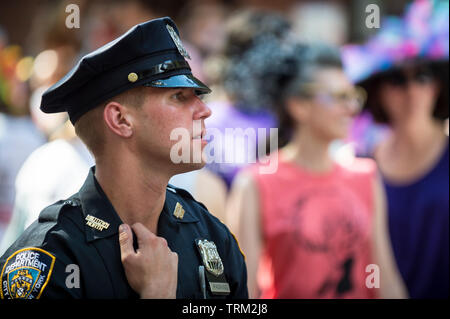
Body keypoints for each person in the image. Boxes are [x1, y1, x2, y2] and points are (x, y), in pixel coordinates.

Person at [0, 17, 248, 299]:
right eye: (179, 96)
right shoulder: (47, 258)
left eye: (198, 95)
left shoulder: (212, 234)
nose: (204, 111)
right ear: (120, 119)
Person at [227, 43, 407, 299]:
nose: (351, 108)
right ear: (298, 105)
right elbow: (244, 292)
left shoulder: (365, 175)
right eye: (338, 97)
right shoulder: (256, 183)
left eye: (352, 95)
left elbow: (385, 277)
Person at [342, 0, 449, 298]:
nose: (412, 90)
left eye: (423, 76)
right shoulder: (361, 164)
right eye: (397, 79)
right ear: (378, 92)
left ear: (438, 85)